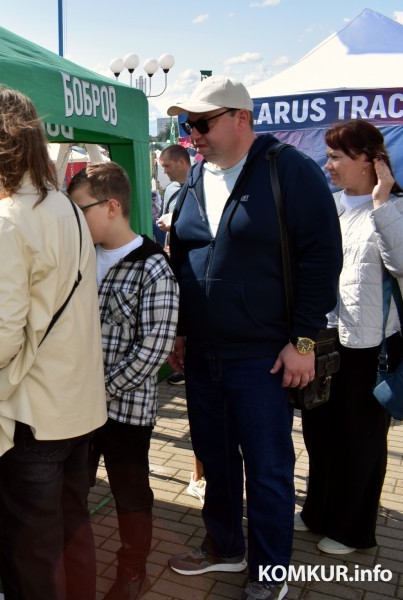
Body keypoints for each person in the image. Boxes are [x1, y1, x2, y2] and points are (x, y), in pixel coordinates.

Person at [164, 76, 343, 600]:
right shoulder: (196, 179)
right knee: (215, 462)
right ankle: (224, 547)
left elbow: (321, 259)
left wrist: (303, 341)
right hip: (204, 356)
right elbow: (184, 259)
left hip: (264, 358)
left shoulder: (288, 170)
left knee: (267, 471)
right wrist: (180, 329)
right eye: (186, 125)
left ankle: (270, 572)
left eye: (201, 123)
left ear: (241, 117)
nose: (191, 134)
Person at [0, 87, 107, 599]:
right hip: (78, 407)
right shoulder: (65, 206)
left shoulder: (7, 218)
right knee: (72, 541)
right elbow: (48, 294)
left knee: (29, 560)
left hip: (30, 418)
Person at [296, 120, 403, 555]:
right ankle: (317, 512)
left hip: (371, 348)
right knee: (317, 430)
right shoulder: (329, 207)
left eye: (336, 157)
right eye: (327, 156)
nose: (328, 165)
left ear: (370, 160)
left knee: (360, 439)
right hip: (321, 338)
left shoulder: (400, 206)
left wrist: (382, 203)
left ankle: (353, 529)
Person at [67, 162, 178, 600]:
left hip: (124, 411)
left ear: (112, 206)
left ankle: (132, 572)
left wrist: (100, 387)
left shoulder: (154, 267)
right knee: (73, 489)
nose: (76, 220)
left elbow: (153, 350)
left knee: (130, 493)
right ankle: (75, 570)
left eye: (82, 209)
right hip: (76, 405)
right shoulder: (81, 255)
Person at [156, 143, 191, 387]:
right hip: (174, 258)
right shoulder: (169, 191)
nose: (165, 171)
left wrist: (176, 222)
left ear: (181, 161)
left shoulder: (201, 186)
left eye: (167, 166)